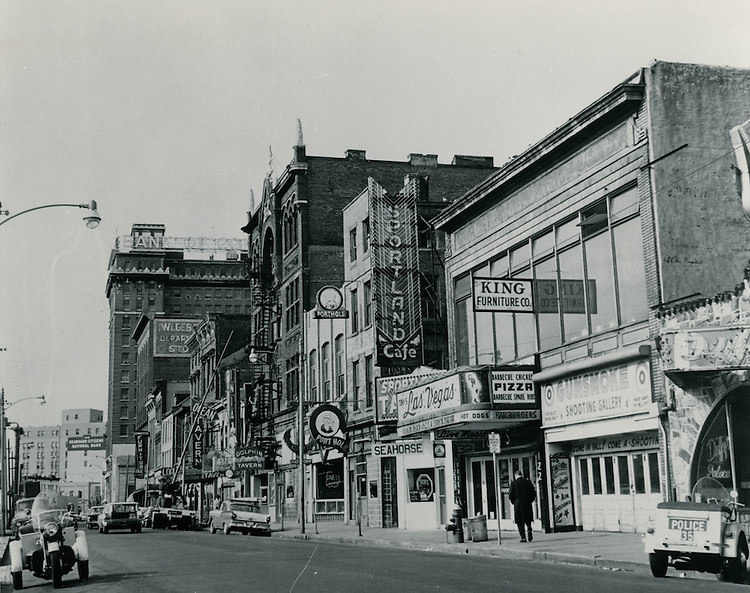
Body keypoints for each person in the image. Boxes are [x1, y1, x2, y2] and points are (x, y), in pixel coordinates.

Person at [509, 470, 537, 542]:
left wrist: (514, 502)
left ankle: (523, 537)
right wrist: (530, 500)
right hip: (527, 503)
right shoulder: (528, 482)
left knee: (519, 521)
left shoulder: (514, 483)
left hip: (518, 504)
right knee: (528, 519)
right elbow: (533, 493)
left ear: (516, 476)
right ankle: (529, 529)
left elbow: (511, 495)